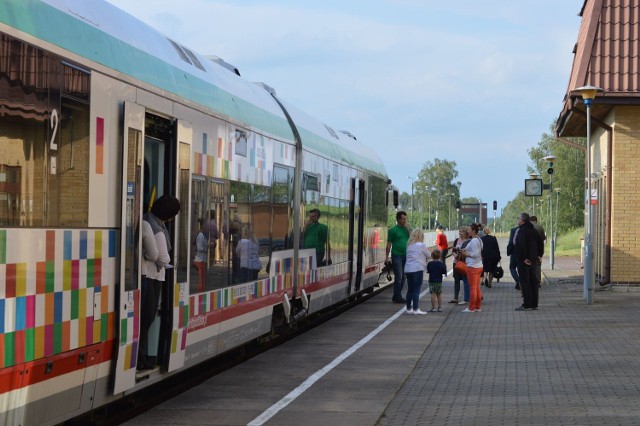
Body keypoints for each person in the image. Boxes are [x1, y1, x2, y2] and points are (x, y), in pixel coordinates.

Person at [139, 194, 181, 370]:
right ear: (169, 215)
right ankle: (140, 359)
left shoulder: (148, 220)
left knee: (145, 319)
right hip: (152, 277)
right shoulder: (157, 229)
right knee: (146, 319)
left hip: (147, 276)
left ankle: (142, 357)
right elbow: (162, 258)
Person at [514, 212, 544, 311]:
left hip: (524, 261)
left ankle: (526, 304)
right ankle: (534, 304)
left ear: (522, 220)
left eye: (518, 218)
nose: (517, 220)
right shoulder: (533, 230)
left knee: (525, 282)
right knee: (533, 282)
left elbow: (521, 245)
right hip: (533, 260)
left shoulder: (522, 231)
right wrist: (539, 255)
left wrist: (523, 258)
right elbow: (540, 243)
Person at [403, 229, 431, 315]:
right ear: (421, 236)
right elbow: (429, 255)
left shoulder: (409, 245)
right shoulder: (421, 245)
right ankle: (416, 309)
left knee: (410, 289)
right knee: (416, 289)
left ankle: (408, 308)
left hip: (408, 269)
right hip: (417, 269)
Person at [386, 211, 410, 303]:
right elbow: (388, 244)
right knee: (399, 276)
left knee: (404, 277)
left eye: (405, 219)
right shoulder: (392, 230)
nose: (405, 220)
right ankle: (397, 296)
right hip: (396, 255)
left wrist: (408, 229)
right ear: (398, 219)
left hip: (406, 255)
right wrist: (386, 257)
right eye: (403, 219)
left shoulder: (407, 229)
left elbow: (414, 238)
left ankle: (396, 295)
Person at [461, 223, 483, 313]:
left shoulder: (474, 241)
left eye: (469, 229)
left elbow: (476, 254)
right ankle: (477, 306)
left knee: (473, 289)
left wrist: (467, 254)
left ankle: (471, 308)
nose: (467, 231)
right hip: (479, 266)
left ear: (473, 230)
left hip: (473, 267)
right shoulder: (479, 239)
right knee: (477, 288)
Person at [450, 227, 471, 305]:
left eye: (462, 231)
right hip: (456, 263)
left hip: (464, 263)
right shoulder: (456, 240)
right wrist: (455, 255)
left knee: (466, 280)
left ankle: (467, 297)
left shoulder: (468, 241)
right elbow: (453, 251)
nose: (460, 233)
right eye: (459, 231)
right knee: (456, 280)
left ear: (465, 233)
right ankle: (456, 297)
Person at [530, 216, 546, 288]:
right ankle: (538, 281)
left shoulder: (527, 227)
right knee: (537, 266)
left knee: (529, 266)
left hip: (529, 250)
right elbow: (543, 239)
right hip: (538, 250)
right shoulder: (540, 227)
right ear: (536, 220)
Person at [193, 218, 207, 292]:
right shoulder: (201, 235)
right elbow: (199, 248)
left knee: (202, 279)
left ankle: (201, 291)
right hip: (199, 259)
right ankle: (200, 292)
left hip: (201, 259)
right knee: (201, 279)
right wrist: (207, 248)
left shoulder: (202, 234)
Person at [506, 221, 521, 290]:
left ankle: (518, 281)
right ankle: (519, 283)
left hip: (514, 252)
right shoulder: (528, 230)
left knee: (512, 267)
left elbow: (511, 242)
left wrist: (509, 250)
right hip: (524, 253)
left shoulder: (513, 230)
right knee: (521, 269)